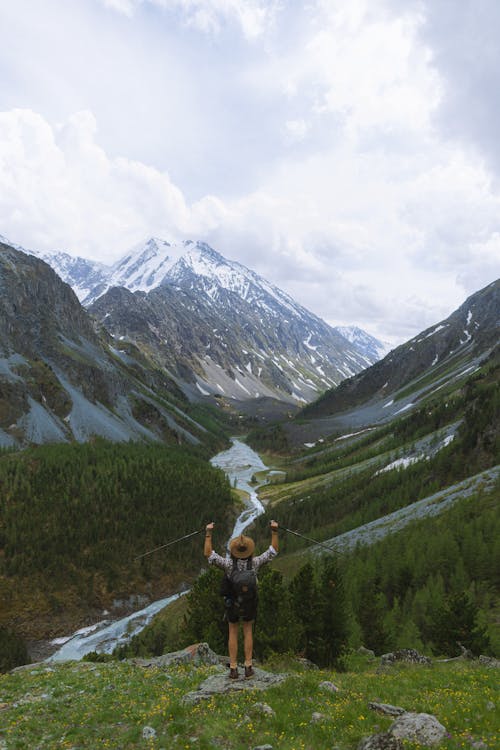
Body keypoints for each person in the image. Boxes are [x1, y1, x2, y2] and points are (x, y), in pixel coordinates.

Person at [204, 520, 279, 679]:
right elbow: (273, 551)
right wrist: (274, 531)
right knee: (247, 630)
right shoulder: (255, 563)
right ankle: (248, 666)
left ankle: (233, 668)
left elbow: (209, 554)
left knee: (233, 631)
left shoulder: (228, 564)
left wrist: (208, 534)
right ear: (249, 550)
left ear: (234, 550)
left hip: (233, 603)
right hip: (250, 602)